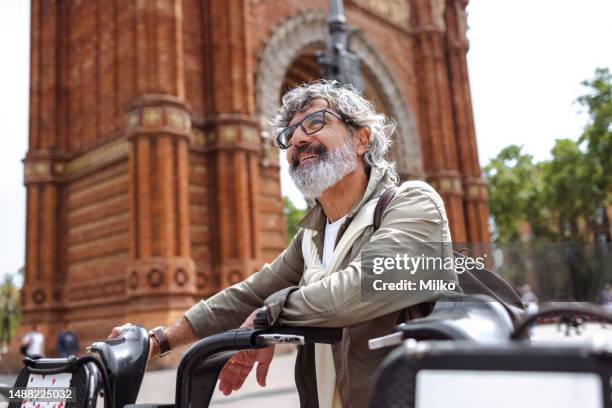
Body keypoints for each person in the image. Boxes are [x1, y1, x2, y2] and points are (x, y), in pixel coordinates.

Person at [109, 80, 457, 408]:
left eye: (315, 123)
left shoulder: (414, 204)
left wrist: (267, 316)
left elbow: (357, 290)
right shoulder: (311, 236)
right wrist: (157, 341)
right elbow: (249, 294)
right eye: (289, 134)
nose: (297, 141)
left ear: (361, 138)